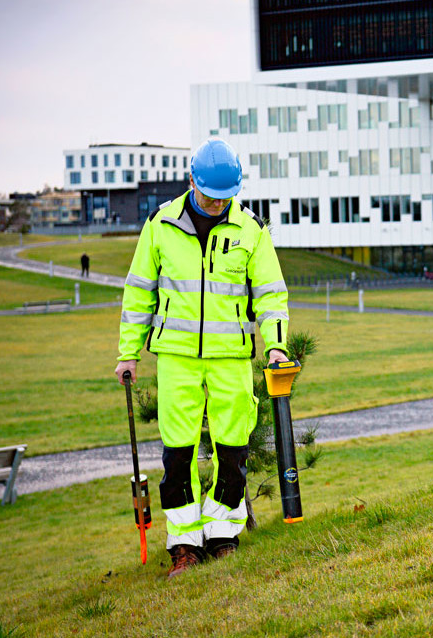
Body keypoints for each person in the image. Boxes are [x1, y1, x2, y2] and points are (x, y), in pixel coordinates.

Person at [114, 138, 290, 578]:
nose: (217, 205)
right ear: (192, 181)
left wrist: (276, 344)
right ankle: (185, 545)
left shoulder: (252, 230)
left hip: (231, 356)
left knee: (233, 451)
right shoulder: (159, 225)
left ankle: (223, 534)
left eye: (226, 197)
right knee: (178, 455)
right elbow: (139, 294)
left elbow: (271, 296)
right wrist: (127, 353)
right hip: (176, 358)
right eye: (210, 196)